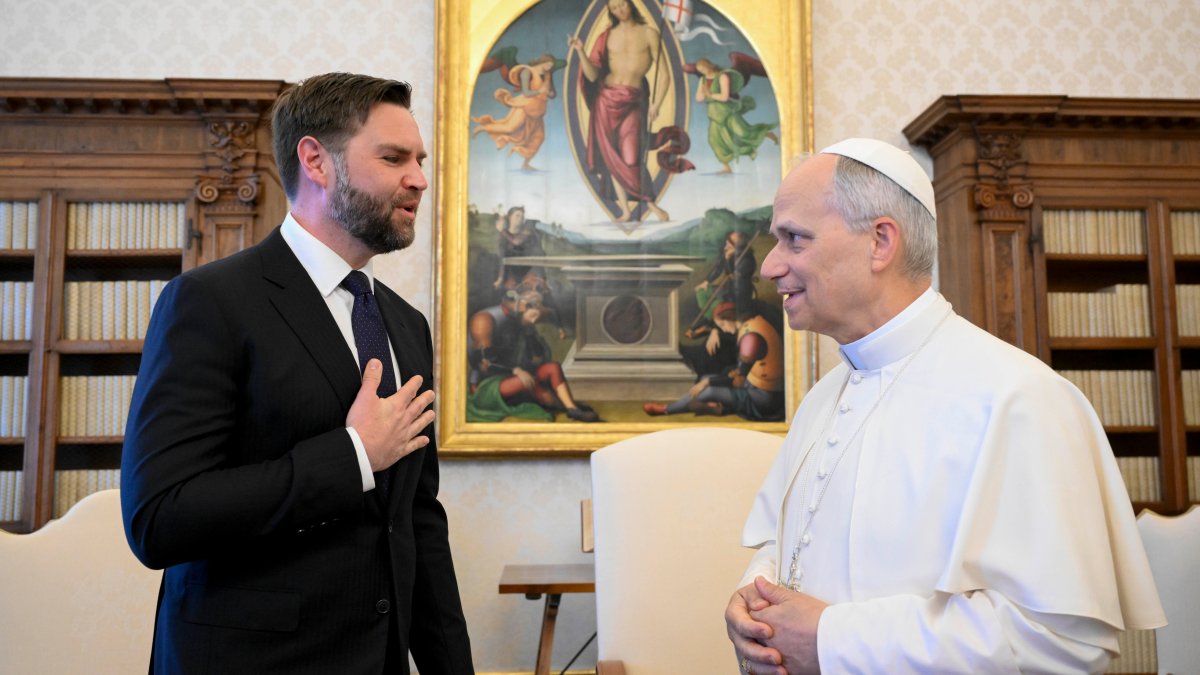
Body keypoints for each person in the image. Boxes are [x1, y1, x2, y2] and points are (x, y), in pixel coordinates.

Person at [725, 138, 1165, 674]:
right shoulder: (823, 398)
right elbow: (787, 542)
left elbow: (1061, 644)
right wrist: (754, 603)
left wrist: (831, 639)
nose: (770, 266)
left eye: (794, 239)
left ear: (881, 241)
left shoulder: (1018, 398)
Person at [121, 73, 473, 674]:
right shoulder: (209, 302)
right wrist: (354, 455)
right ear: (316, 160)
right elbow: (160, 517)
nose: (418, 178)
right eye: (392, 158)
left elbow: (415, 523)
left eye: (419, 159)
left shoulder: (406, 325)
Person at [567, 0, 692, 222]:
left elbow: (664, 75)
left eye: (622, 5)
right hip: (605, 100)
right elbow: (593, 75)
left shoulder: (649, 33)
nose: (619, 11)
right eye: (614, 8)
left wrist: (656, 105)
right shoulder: (606, 36)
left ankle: (651, 204)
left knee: (630, 156)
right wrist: (580, 52)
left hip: (633, 102)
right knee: (610, 157)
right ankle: (625, 210)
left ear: (631, 4)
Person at [466, 289, 598, 423]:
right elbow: (484, 364)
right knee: (529, 382)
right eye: (532, 305)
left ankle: (571, 408)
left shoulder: (519, 321)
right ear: (521, 304)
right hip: (486, 384)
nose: (536, 313)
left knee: (552, 367)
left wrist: (528, 331)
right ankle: (564, 406)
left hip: (515, 376)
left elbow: (539, 359)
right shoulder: (484, 319)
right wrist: (516, 370)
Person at [646, 301, 784, 422]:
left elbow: (738, 380)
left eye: (723, 324)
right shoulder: (752, 323)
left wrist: (707, 383)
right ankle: (720, 407)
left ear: (731, 317)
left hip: (763, 398)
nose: (723, 328)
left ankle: (666, 409)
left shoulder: (750, 339)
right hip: (754, 384)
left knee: (709, 390)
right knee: (707, 378)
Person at [471, 51, 562, 171]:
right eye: (548, 65)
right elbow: (526, 92)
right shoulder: (527, 72)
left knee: (539, 137)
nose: (549, 68)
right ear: (543, 62)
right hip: (525, 105)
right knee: (510, 127)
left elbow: (551, 94)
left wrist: (548, 91)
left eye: (551, 66)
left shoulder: (546, 76)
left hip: (538, 110)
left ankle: (526, 163)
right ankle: (482, 128)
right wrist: (541, 91)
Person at [691, 55, 778, 174]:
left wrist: (710, 94)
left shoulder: (722, 76)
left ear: (708, 65)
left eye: (703, 69)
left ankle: (766, 133)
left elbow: (724, 96)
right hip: (714, 114)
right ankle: (726, 167)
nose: (702, 72)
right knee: (714, 140)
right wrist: (704, 93)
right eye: (700, 71)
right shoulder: (703, 80)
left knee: (743, 132)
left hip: (727, 112)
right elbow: (698, 98)